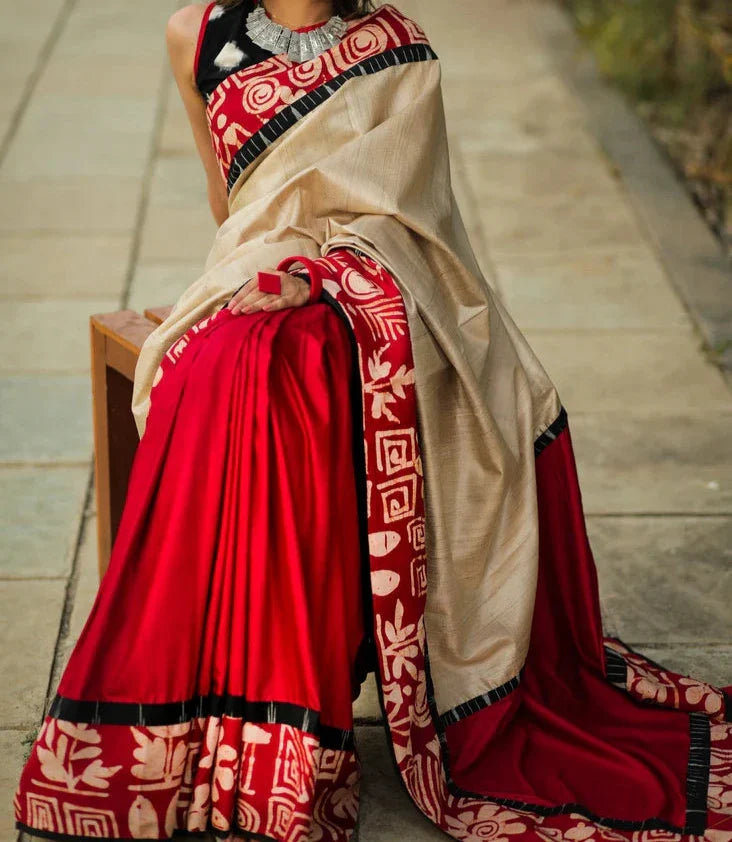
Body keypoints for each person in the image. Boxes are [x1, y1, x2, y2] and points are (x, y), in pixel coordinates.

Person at [13, 1, 732, 840]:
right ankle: (190, 722)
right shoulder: (195, 36)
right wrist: (279, 263)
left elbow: (418, 221)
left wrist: (334, 278)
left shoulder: (398, 49)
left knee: (299, 360)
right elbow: (232, 206)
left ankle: (287, 747)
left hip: (377, 292)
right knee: (235, 364)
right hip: (255, 267)